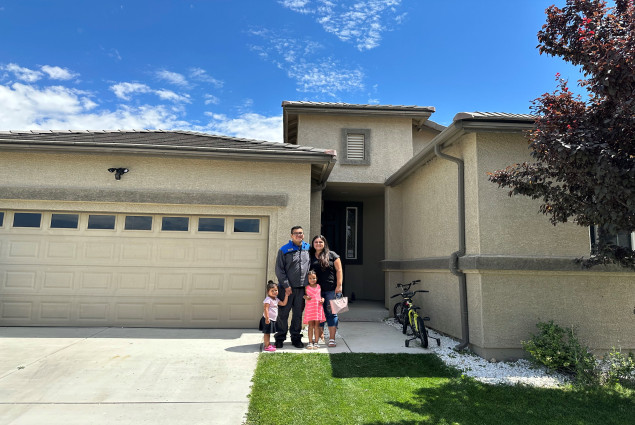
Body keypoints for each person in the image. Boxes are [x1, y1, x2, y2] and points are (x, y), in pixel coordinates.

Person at [274, 225, 311, 348]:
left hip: (301, 289)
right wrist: (286, 285)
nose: (298, 235)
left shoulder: (308, 248)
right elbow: (279, 270)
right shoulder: (284, 249)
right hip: (286, 289)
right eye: (296, 233)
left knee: (297, 314)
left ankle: (296, 338)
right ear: (291, 235)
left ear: (303, 235)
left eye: (300, 233)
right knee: (283, 314)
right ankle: (280, 337)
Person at [309, 235, 343, 347]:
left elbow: (339, 270)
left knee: (331, 313)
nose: (318, 244)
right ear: (313, 244)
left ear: (324, 243)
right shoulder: (310, 256)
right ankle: (319, 336)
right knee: (318, 314)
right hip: (315, 292)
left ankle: (332, 339)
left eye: (320, 242)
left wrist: (339, 285)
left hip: (330, 290)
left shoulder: (332, 255)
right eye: (316, 242)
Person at [260, 281, 289, 352]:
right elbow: (266, 309)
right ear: (268, 292)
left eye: (276, 290)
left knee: (268, 333)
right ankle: (266, 346)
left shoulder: (276, 299)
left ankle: (268, 344)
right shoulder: (268, 300)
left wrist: (286, 295)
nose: (274, 292)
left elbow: (283, 303)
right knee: (267, 333)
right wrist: (267, 318)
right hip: (267, 319)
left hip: (272, 319)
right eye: (272, 291)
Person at [302, 270, 325, 349]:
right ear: (308, 279)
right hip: (310, 309)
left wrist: (323, 299)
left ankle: (316, 342)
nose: (312, 280)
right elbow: (304, 296)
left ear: (317, 278)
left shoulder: (319, 286)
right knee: (310, 326)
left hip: (318, 308)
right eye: (310, 278)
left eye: (314, 278)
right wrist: (305, 297)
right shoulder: (306, 287)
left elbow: (321, 296)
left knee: (317, 326)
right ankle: (310, 342)